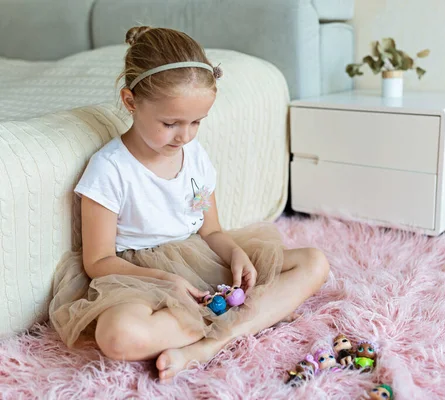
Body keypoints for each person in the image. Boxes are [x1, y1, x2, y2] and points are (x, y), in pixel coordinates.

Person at [49, 26, 330, 383]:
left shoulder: (194, 156)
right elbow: (98, 261)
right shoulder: (109, 169)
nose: (185, 136)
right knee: (119, 336)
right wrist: (165, 280)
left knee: (314, 262)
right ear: (130, 101)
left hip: (199, 260)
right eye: (170, 123)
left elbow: (210, 229)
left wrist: (234, 255)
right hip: (139, 275)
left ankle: (207, 346)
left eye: (196, 122)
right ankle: (253, 316)